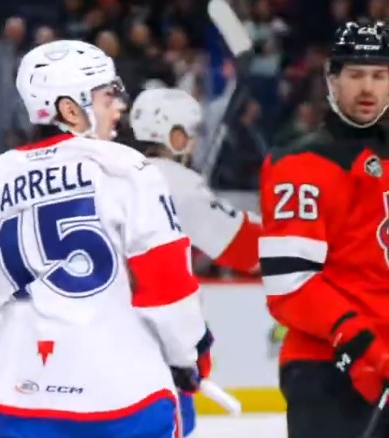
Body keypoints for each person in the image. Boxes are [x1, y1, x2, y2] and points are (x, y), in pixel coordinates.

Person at [0, 40, 208, 438]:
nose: (119, 107)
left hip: (24, 404)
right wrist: (188, 357)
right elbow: (168, 286)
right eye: (107, 96)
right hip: (125, 400)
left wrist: (21, 289)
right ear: (70, 110)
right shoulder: (127, 168)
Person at [258, 21, 389, 438]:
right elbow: (290, 284)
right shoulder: (301, 163)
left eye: (379, 75)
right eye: (355, 74)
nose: (367, 88)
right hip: (326, 370)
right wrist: (362, 345)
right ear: (332, 80)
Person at [129, 88, 261, 436]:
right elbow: (244, 249)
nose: (193, 142)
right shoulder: (174, 182)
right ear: (172, 135)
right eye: (189, 133)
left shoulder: (115, 172)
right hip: (156, 340)